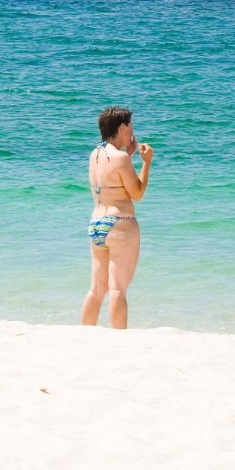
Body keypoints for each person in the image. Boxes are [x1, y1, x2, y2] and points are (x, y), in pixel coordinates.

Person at [81, 106, 152, 329]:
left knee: (96, 288)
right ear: (122, 127)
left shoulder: (95, 155)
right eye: (130, 125)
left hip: (96, 223)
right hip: (120, 224)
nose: (132, 130)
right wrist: (146, 162)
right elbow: (137, 193)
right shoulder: (120, 157)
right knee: (118, 287)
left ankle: (85, 331)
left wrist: (128, 154)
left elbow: (112, 173)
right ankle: (119, 336)